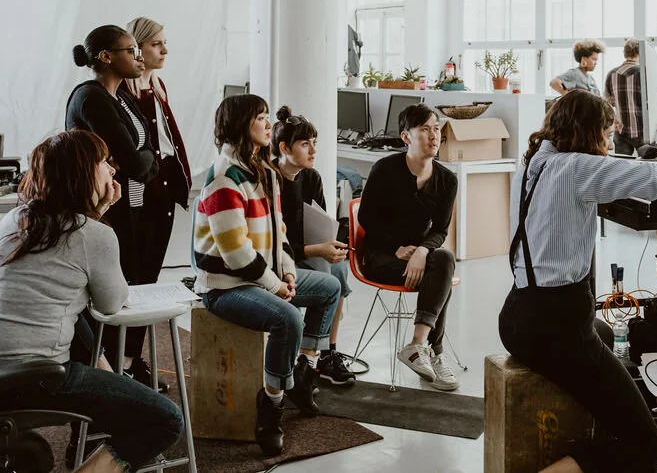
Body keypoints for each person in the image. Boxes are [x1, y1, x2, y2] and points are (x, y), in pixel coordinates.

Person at [0, 131, 183, 473]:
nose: (112, 171)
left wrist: (94, 217)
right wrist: (99, 219)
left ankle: (114, 395)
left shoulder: (15, 220)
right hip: (30, 379)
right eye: (104, 163)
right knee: (166, 419)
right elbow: (111, 304)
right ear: (84, 173)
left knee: (77, 325)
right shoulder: (93, 235)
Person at [499, 91, 657, 473]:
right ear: (590, 133)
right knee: (644, 446)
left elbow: (607, 171)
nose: (609, 144)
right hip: (556, 327)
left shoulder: (535, 162)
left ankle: (601, 422)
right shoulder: (578, 169)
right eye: (607, 134)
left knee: (606, 336)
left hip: (516, 317)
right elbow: (651, 177)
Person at [194, 94, 341, 456]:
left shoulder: (264, 173)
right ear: (242, 125)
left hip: (261, 277)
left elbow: (281, 234)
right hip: (224, 286)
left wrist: (287, 272)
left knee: (330, 287)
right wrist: (276, 286)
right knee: (288, 318)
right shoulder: (224, 178)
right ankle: (271, 404)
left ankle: (303, 372)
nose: (267, 124)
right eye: (260, 117)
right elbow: (235, 252)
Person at [65, 25, 164, 391]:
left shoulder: (121, 97)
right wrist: (145, 161)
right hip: (104, 210)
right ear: (106, 57)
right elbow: (137, 163)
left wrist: (143, 160)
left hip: (130, 206)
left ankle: (122, 367)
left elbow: (145, 150)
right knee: (109, 296)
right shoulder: (91, 98)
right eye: (131, 51)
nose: (139, 58)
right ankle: (104, 375)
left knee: (132, 287)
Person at [357, 103, 460, 391]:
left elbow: (440, 230)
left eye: (436, 128)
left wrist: (421, 251)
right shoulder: (384, 169)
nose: (433, 136)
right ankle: (435, 353)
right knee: (440, 279)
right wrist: (396, 247)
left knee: (444, 258)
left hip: (419, 258)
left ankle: (417, 345)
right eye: (425, 129)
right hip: (381, 256)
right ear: (406, 137)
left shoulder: (447, 180)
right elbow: (366, 217)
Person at [271, 105, 356, 386]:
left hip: (304, 250)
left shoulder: (311, 177)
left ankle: (325, 353)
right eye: (305, 144)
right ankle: (310, 357)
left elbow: (317, 225)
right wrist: (318, 250)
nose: (313, 150)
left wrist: (330, 242)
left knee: (340, 270)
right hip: (280, 258)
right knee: (330, 275)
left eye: (314, 143)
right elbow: (273, 243)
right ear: (284, 147)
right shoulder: (270, 180)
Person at [121, 16, 192, 320]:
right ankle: (123, 355)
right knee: (133, 276)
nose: (164, 50)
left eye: (164, 43)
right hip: (140, 193)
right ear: (137, 47)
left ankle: (132, 356)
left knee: (150, 275)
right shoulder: (126, 91)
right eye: (156, 44)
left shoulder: (156, 84)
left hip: (163, 189)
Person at [603, 38, 644, 156]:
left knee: (622, 165)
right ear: (639, 52)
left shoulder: (611, 73)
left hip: (620, 129)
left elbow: (608, 103)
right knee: (647, 165)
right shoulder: (643, 72)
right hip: (642, 130)